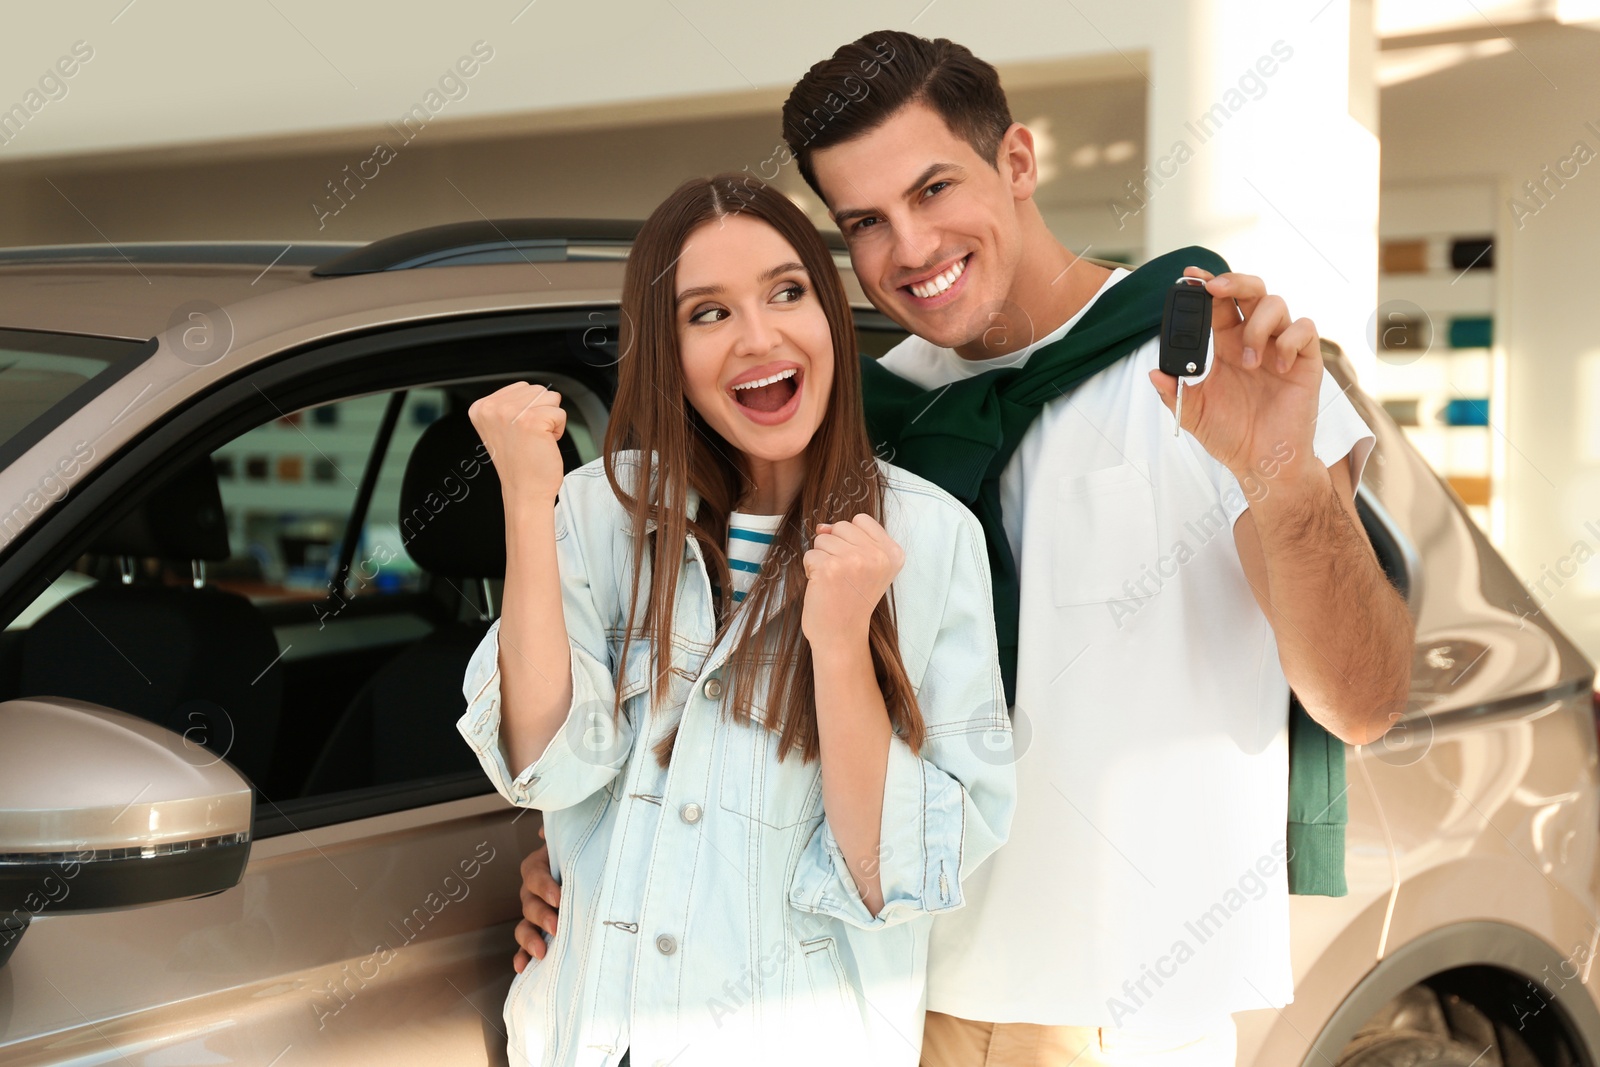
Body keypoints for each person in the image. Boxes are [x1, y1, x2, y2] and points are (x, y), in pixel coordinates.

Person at [514, 29, 1417, 1067]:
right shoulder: (856, 416)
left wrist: (1280, 477)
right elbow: (708, 677)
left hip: (1105, 1006)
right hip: (870, 992)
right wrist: (581, 854)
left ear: (1019, 162)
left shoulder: (1211, 367)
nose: (910, 247)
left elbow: (1362, 699)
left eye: (935, 188)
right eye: (865, 221)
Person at [457, 173, 1016, 1067]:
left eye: (787, 292)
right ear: (666, 350)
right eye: (707, 313)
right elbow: (547, 769)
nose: (759, 337)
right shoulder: (598, 508)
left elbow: (892, 874)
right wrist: (528, 503)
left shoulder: (930, 539)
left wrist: (836, 644)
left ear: (829, 314)